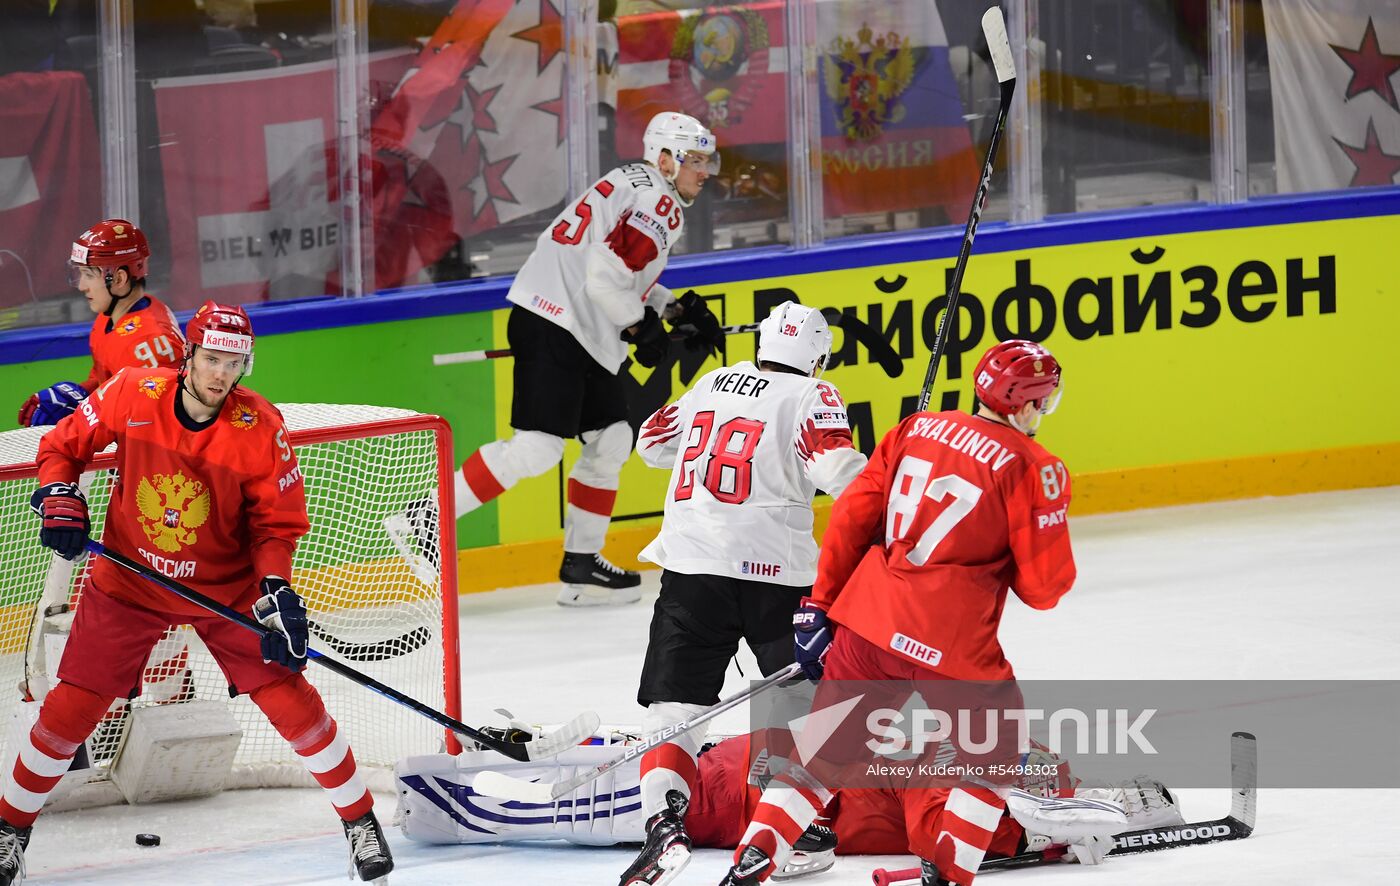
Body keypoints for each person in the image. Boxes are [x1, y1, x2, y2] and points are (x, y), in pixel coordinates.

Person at [1, 302, 393, 884]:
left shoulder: (259, 426)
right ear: (188, 355)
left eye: (233, 363)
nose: (220, 374)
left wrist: (276, 586)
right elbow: (64, 445)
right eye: (211, 359)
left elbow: (275, 524)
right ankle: (11, 832)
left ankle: (361, 822)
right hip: (129, 580)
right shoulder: (132, 393)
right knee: (70, 711)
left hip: (225, 587)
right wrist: (59, 492)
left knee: (291, 703)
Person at [721, 339, 1076, 886]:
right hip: (954, 645)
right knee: (999, 753)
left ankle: (754, 858)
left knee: (823, 755)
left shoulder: (912, 429)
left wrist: (820, 602)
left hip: (870, 623)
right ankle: (949, 870)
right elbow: (1045, 590)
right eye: (1045, 402)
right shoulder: (1035, 466)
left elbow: (850, 520)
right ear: (1026, 405)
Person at [620, 301, 867, 886]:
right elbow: (836, 471)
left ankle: (664, 823)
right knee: (804, 699)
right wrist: (892, 473)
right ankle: (793, 831)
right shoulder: (814, 395)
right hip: (774, 573)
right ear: (816, 356)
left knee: (675, 710)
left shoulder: (712, 381)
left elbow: (652, 444)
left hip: (691, 563)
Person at [451, 111, 724, 608]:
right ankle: (425, 520)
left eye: (708, 161)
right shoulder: (660, 201)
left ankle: (581, 563)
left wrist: (669, 306)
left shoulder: (629, 179)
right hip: (561, 322)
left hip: (571, 322)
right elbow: (604, 276)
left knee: (612, 439)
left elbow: (610, 265)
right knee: (537, 449)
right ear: (665, 159)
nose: (704, 172)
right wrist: (640, 326)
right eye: (696, 161)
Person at [394, 729, 1182, 872]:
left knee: (564, 797)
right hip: (729, 783)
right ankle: (434, 795)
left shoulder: (958, 758)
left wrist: (1035, 839)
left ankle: (438, 792)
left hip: (731, 778)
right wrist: (1032, 841)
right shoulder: (954, 763)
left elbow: (939, 826)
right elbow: (939, 828)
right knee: (558, 797)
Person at [17, 219, 184, 429]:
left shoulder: (150, 343)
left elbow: (160, 424)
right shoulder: (109, 317)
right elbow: (105, 381)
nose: (81, 286)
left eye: (88, 275)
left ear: (119, 278)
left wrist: (79, 416)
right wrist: (77, 395)